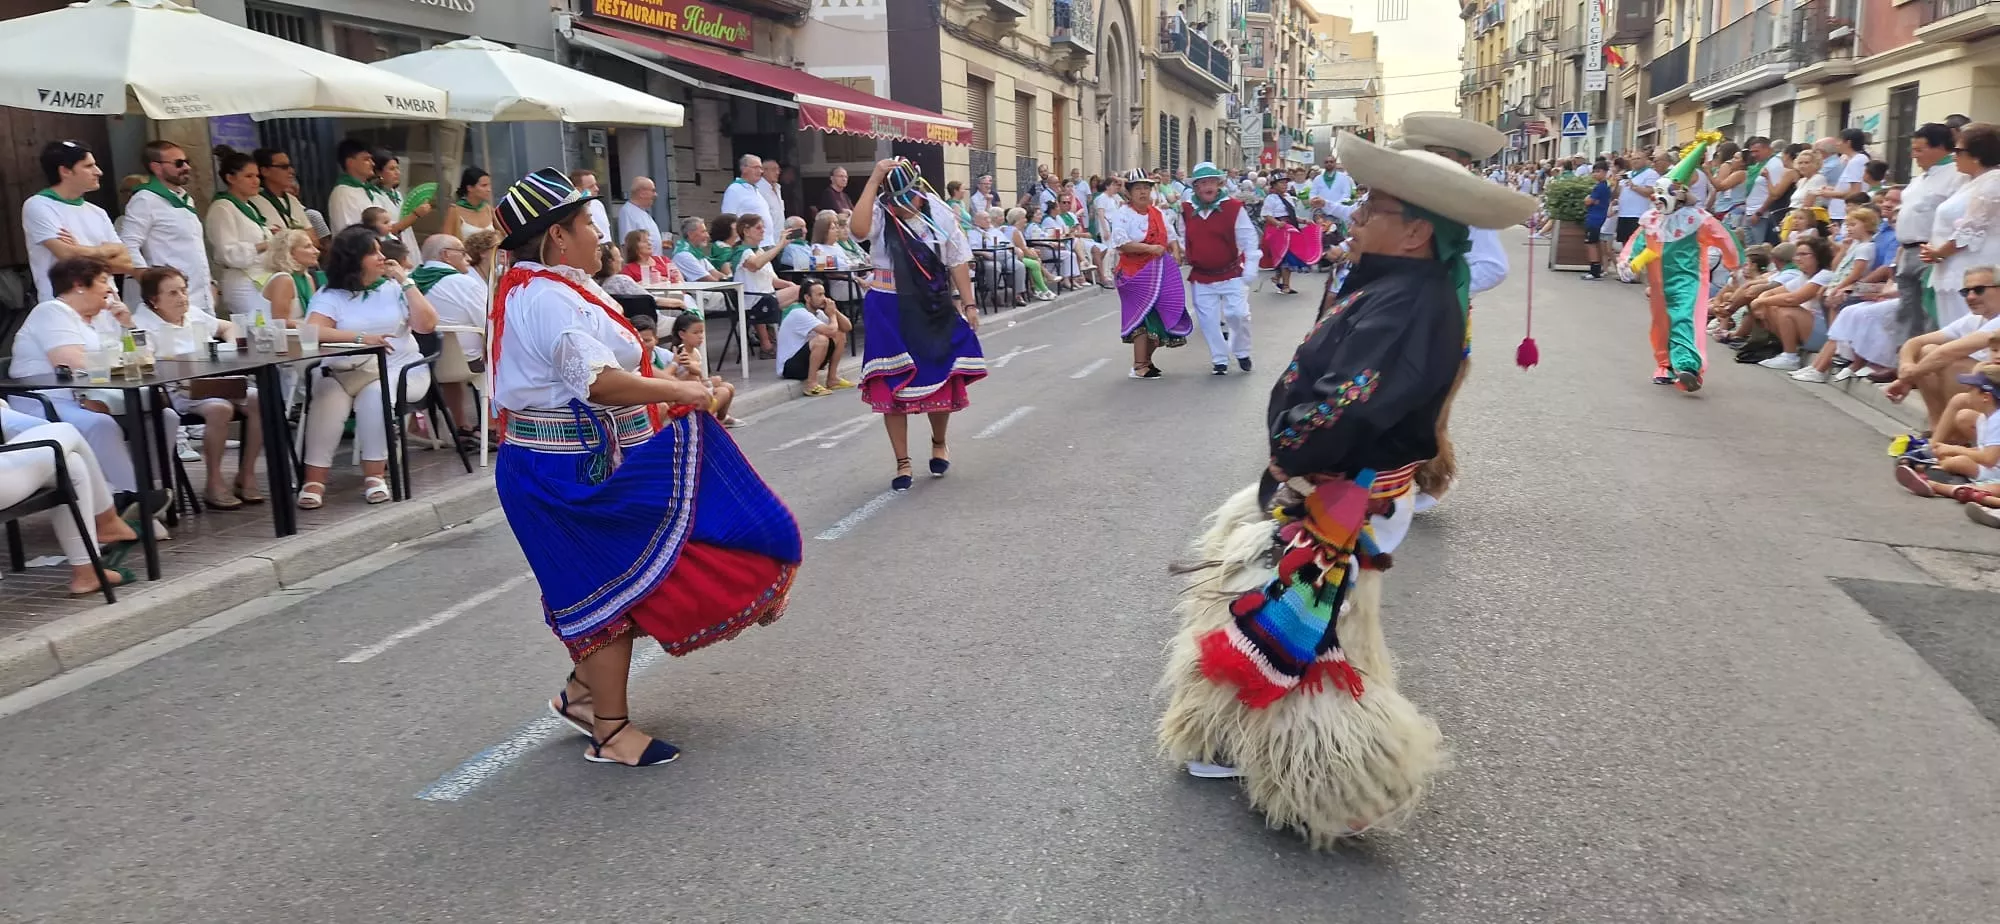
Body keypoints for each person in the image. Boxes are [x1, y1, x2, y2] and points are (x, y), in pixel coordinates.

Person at [1158, 131, 1536, 846]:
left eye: (1373, 207)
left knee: (1311, 628)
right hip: (1332, 487)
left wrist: (1290, 458)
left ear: (1418, 229)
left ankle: (1337, 773)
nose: (1354, 217)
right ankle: (1232, 734)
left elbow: (1347, 403)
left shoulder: (1405, 303)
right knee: (1275, 608)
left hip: (1342, 493)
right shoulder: (1394, 286)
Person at [488, 167, 799, 767]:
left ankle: (584, 698)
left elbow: (603, 362)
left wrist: (666, 377)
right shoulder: (546, 296)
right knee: (605, 590)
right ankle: (609, 731)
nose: (597, 235)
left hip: (576, 459)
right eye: (585, 224)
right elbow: (598, 383)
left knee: (620, 582)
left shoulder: (552, 286)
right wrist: (678, 393)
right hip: (557, 470)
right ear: (557, 236)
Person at [1388, 113, 1512, 510]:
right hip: (1392, 316)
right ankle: (1388, 477)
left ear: (1461, 162)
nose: (1433, 162)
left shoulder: (1466, 204)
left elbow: (1493, 266)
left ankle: (1429, 480)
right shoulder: (1404, 197)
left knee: (1429, 406)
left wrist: (1435, 287)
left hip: (1441, 321)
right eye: (1427, 154)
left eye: (1442, 155)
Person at [849, 158, 985, 491]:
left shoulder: (937, 214)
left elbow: (957, 260)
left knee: (939, 375)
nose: (904, 205)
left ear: (919, 192)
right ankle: (902, 461)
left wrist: (969, 304)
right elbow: (858, 230)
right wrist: (874, 179)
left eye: (908, 197)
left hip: (930, 304)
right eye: (895, 199)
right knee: (891, 382)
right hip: (888, 306)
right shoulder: (882, 214)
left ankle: (939, 441)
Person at [6, 255, 173, 520]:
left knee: (164, 416)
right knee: (100, 425)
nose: (111, 289)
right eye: (104, 281)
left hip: (89, 396)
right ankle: (130, 502)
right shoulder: (51, 312)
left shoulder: (95, 321)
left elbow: (146, 356)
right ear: (79, 284)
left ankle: (147, 491)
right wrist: (117, 366)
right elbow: (72, 363)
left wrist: (128, 324)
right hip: (45, 402)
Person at [297, 226, 439, 509]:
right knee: (326, 398)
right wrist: (360, 339)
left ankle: (374, 476)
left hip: (399, 367)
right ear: (354, 259)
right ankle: (314, 480)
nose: (381, 256)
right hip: (344, 368)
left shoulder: (394, 288)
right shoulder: (331, 294)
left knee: (376, 396)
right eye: (372, 252)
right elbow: (313, 330)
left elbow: (427, 325)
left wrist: (405, 281)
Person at [1619, 133, 1741, 392]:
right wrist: (1629, 262)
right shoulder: (1651, 219)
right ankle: (1664, 365)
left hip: (1688, 279)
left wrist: (1735, 267)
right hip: (1657, 281)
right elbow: (1637, 244)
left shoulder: (1697, 218)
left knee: (1683, 318)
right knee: (1661, 324)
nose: (1657, 198)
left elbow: (1725, 240)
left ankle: (1687, 367)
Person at [133, 267, 263, 509]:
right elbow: (144, 364)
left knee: (259, 399)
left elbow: (226, 327)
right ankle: (214, 482)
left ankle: (246, 475)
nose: (182, 298)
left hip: (215, 381)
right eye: (172, 293)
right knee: (219, 408)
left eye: (183, 290)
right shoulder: (142, 324)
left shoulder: (192, 313)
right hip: (177, 390)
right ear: (154, 300)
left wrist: (231, 347)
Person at [1106, 170, 1191, 379]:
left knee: (1160, 317)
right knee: (1142, 319)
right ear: (1129, 193)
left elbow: (1171, 236)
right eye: (1138, 188)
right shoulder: (1123, 215)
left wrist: (1177, 252)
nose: (1143, 192)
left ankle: (1147, 360)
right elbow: (1122, 244)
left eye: (1146, 188)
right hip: (1133, 274)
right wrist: (1150, 249)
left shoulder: (1158, 213)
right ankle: (1139, 365)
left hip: (1158, 272)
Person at [24, 141, 132, 301]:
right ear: (65, 171)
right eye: (89, 166)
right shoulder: (38, 205)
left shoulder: (98, 212)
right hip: (67, 306)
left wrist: (80, 251)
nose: (99, 172)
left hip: (109, 306)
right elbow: (67, 256)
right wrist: (103, 251)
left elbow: (126, 263)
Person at [1180, 162, 1259, 376]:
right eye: (1203, 183)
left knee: (1238, 314)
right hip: (1201, 276)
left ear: (1219, 184)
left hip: (1231, 273)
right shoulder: (1187, 209)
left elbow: (1249, 240)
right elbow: (1181, 234)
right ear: (1195, 188)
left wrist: (1250, 268)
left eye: (1212, 182)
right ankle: (1219, 358)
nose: (1208, 187)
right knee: (1208, 320)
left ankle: (1242, 351)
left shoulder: (1233, 208)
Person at [119, 140, 214, 313]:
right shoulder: (145, 199)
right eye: (178, 163)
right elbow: (128, 245)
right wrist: (151, 284)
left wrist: (210, 283)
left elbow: (192, 248)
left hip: (199, 297)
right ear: (156, 167)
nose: (186, 167)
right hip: (168, 301)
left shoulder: (186, 199)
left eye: (187, 162)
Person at [413, 234, 491, 445]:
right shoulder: (464, 283)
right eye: (462, 252)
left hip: (426, 363)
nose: (467, 257)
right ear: (446, 255)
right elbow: (489, 323)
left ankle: (461, 426)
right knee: (503, 353)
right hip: (470, 362)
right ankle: (494, 427)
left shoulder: (410, 282)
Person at [1923, 122, 2000, 331]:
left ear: (1976, 153)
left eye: (1957, 150)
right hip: (1951, 267)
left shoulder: (1993, 181)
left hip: (1972, 268)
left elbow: (1971, 230)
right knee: (1952, 330)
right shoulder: (1969, 182)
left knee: (1969, 333)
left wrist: (1939, 252)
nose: (1953, 155)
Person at [1898, 124, 1967, 340]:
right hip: (1907, 250)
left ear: (1940, 148)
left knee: (1929, 309)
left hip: (1931, 250)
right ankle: (1904, 359)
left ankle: (1927, 360)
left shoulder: (1956, 175)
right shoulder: (1919, 179)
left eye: (1920, 150)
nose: (1914, 156)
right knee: (1907, 310)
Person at [207, 148, 286, 322]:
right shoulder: (222, 207)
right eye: (248, 176)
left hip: (262, 278)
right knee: (257, 328)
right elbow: (227, 253)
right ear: (231, 178)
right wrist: (265, 245)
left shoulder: (249, 207)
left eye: (257, 176)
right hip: (242, 281)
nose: (256, 181)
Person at [660, 311, 743, 427]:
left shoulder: (695, 351)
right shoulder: (681, 353)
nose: (700, 336)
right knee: (723, 392)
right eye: (695, 333)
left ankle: (721, 419)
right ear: (682, 334)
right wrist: (709, 382)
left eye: (701, 332)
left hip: (699, 388)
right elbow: (689, 376)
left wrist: (708, 381)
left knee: (729, 387)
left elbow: (699, 377)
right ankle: (699, 423)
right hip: (688, 394)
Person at [733, 214, 799, 358]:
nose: (763, 231)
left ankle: (772, 340)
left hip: (765, 296)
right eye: (758, 228)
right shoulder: (742, 252)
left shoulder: (760, 251)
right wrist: (780, 245)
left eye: (763, 227)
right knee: (804, 293)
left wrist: (789, 284)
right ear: (746, 231)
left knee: (803, 290)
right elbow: (755, 265)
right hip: (752, 300)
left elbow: (772, 280)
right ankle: (774, 340)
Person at [777, 280, 851, 394]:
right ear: (807, 298)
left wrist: (834, 311)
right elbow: (830, 331)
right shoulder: (798, 312)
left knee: (840, 334)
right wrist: (831, 315)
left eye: (824, 294)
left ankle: (832, 379)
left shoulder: (818, 313)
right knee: (822, 339)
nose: (824, 298)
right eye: (819, 295)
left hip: (807, 362)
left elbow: (847, 327)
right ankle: (811, 384)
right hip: (790, 367)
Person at [1258, 174, 1311, 294]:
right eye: (1281, 183)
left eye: (1286, 182)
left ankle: (1277, 278)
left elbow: (1291, 215)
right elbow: (1267, 215)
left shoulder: (1288, 197)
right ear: (1274, 185)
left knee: (1288, 256)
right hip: (1277, 231)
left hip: (1289, 229)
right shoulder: (1271, 198)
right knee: (1286, 256)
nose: (1284, 185)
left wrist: (1303, 220)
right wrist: (1277, 223)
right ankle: (1286, 286)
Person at [369, 150, 428, 257]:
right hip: (390, 249)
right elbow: (390, 230)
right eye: (391, 169)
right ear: (378, 172)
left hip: (407, 243)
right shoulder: (374, 196)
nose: (397, 173)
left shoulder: (397, 194)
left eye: (397, 168)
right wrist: (416, 214)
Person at [259, 229, 320, 328]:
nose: (316, 251)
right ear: (289, 253)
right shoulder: (283, 279)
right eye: (308, 246)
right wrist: (315, 327)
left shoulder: (307, 278)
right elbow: (280, 322)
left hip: (301, 336)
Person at [251, 148, 311, 236]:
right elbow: (270, 241)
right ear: (265, 171)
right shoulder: (254, 201)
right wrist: (301, 235)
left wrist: (285, 235)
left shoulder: (292, 200)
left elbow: (314, 239)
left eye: (290, 166)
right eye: (284, 167)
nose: (291, 171)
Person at [326, 139, 379, 233]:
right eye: (366, 159)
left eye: (372, 159)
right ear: (350, 162)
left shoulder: (367, 189)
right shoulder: (342, 194)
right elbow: (349, 233)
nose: (373, 164)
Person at [722, 154, 775, 241]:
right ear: (744, 169)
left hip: (766, 242)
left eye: (761, 168)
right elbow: (728, 220)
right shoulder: (734, 190)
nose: (760, 171)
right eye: (756, 167)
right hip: (749, 246)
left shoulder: (755, 190)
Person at [443, 167, 495, 240]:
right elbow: (445, 242)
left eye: (489, 185)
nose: (489, 189)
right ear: (470, 188)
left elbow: (502, 236)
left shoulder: (488, 209)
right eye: (484, 185)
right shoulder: (455, 211)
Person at [1582, 161, 1612, 279]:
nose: (1595, 174)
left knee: (1591, 244)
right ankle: (1596, 268)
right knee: (1594, 243)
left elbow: (1588, 201)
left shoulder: (1600, 187)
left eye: (1598, 171)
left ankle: (1594, 271)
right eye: (1594, 171)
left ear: (1605, 172)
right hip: (1598, 217)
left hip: (1595, 218)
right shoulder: (1603, 186)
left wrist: (1588, 199)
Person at [569, 169, 612, 244]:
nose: (596, 189)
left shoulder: (598, 204)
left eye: (596, 185)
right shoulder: (574, 212)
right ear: (578, 190)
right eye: (591, 186)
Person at [617, 176, 661, 248]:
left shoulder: (643, 211)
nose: (655, 194)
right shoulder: (627, 212)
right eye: (653, 191)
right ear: (642, 193)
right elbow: (627, 244)